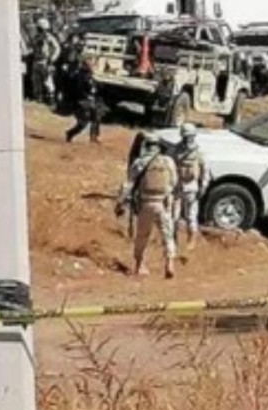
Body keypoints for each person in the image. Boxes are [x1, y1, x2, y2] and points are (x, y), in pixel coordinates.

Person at [116, 133, 178, 278]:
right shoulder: (168, 161)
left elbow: (128, 185)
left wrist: (120, 202)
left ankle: (139, 265)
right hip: (164, 204)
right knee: (168, 235)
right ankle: (169, 263)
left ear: (146, 145)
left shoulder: (139, 163)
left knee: (142, 236)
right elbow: (173, 182)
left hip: (146, 204)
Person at [173, 123, 209, 250]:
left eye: (189, 136)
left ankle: (191, 238)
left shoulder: (199, 152)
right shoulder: (175, 150)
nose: (187, 139)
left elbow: (205, 170)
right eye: (185, 136)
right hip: (177, 187)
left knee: (191, 216)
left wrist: (203, 186)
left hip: (191, 187)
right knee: (174, 216)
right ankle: (173, 240)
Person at [65, 58, 102, 143]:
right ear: (84, 66)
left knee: (96, 117)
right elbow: (79, 90)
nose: (91, 66)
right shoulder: (80, 76)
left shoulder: (89, 75)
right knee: (84, 122)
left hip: (89, 100)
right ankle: (70, 133)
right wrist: (87, 96)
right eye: (89, 65)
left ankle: (94, 137)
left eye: (91, 65)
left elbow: (94, 86)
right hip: (81, 101)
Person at [31, 18, 61, 105]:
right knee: (36, 81)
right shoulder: (36, 38)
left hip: (45, 61)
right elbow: (33, 48)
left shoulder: (49, 38)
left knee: (48, 81)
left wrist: (52, 59)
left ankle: (51, 99)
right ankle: (38, 98)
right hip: (36, 61)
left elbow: (57, 49)